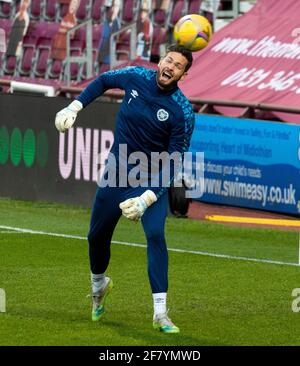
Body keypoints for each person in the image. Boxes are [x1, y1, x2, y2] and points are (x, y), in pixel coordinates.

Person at [54, 44, 195, 334]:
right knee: (96, 236)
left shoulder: (182, 112)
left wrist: (148, 197)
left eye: (178, 65)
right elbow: (105, 80)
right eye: (168, 60)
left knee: (155, 234)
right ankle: (98, 288)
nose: (170, 67)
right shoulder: (135, 76)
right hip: (117, 172)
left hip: (153, 175)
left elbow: (174, 162)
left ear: (184, 74)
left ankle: (160, 313)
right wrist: (75, 106)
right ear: (161, 61)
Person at [97, 0, 121, 71]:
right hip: (100, 59)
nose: (113, 9)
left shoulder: (117, 24)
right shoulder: (103, 24)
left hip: (109, 61)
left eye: (116, 7)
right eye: (111, 7)